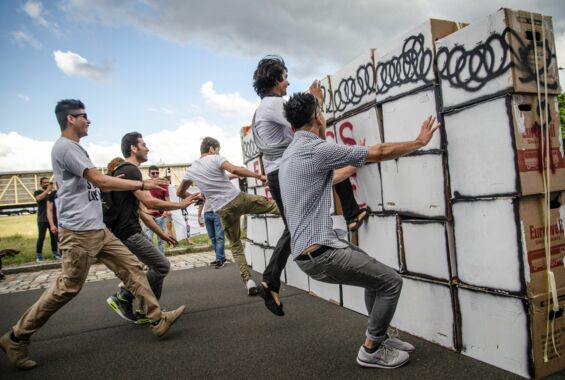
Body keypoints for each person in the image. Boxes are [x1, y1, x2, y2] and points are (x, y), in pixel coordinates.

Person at [0, 99, 186, 370]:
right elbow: (99, 180)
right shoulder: (65, 148)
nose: (89, 120)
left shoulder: (77, 148)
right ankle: (16, 337)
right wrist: (143, 183)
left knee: (133, 269)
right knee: (67, 288)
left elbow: (97, 185)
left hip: (97, 229)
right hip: (78, 233)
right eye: (83, 116)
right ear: (69, 120)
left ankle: (158, 320)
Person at [279, 91, 440, 369]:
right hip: (323, 254)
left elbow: (333, 177)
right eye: (321, 113)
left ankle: (381, 336)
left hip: (311, 253)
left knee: (372, 279)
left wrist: (354, 162)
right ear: (318, 117)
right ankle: (371, 349)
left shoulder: (291, 155)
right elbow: (378, 152)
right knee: (390, 282)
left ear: (292, 126)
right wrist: (419, 142)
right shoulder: (317, 150)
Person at [251, 55, 367, 316]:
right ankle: (352, 214)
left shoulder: (261, 109)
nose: (288, 82)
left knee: (294, 227)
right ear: (275, 79)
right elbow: (303, 120)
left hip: (278, 172)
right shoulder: (273, 105)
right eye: (285, 77)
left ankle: (270, 281)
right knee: (326, 159)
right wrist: (316, 101)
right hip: (287, 170)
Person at [104, 132, 199, 324]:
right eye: (144, 144)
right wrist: (180, 205)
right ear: (134, 148)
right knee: (161, 265)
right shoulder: (131, 170)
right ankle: (125, 296)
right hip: (128, 233)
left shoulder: (127, 172)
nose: (147, 148)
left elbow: (142, 212)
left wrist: (163, 234)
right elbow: (149, 202)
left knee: (157, 266)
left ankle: (145, 310)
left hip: (128, 232)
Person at [177, 137, 278, 295]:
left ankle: (248, 281)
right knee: (273, 206)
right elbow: (236, 170)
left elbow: (179, 193)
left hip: (222, 209)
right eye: (218, 149)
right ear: (212, 148)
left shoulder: (191, 170)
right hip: (238, 199)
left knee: (236, 245)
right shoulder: (216, 158)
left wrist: (197, 196)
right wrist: (259, 176)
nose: (219, 151)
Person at [143, 165, 168, 254]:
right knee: (148, 239)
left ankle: (162, 259)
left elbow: (167, 201)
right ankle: (150, 259)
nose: (155, 174)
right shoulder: (145, 185)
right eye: (153, 173)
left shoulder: (164, 185)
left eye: (157, 173)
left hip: (160, 216)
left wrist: (164, 214)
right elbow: (141, 201)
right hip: (148, 217)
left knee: (161, 240)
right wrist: (146, 212)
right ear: (149, 174)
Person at [33, 177, 59, 261]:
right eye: (44, 182)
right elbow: (38, 198)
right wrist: (48, 190)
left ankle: (55, 254)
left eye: (48, 182)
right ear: (41, 184)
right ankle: (39, 255)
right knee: (41, 237)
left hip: (52, 219)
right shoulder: (38, 192)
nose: (47, 184)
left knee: (54, 237)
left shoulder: (52, 193)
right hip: (42, 219)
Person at [198, 200, 226, 269]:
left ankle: (219, 259)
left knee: (219, 237)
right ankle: (220, 257)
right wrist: (199, 215)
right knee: (213, 238)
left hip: (217, 212)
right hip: (207, 213)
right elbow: (201, 200)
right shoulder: (203, 189)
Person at [46, 187, 60, 259]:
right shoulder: (53, 194)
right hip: (59, 223)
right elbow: (49, 210)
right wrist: (52, 225)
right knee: (63, 243)